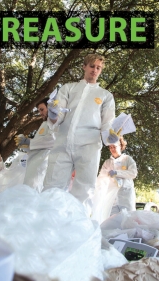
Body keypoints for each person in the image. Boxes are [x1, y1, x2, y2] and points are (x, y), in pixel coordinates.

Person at [42, 53, 119, 211]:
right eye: (92, 66)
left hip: (89, 145)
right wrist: (53, 113)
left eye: (98, 67)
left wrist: (111, 136)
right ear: (84, 66)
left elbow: (107, 122)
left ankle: (77, 226)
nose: (94, 70)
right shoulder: (68, 88)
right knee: (52, 185)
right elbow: (59, 116)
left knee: (84, 188)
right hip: (62, 143)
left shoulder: (105, 96)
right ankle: (46, 220)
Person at [92, 136, 137, 223]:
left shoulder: (128, 160)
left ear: (120, 145)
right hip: (112, 199)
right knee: (112, 221)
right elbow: (101, 178)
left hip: (126, 196)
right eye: (110, 147)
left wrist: (117, 173)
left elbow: (133, 173)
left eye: (114, 146)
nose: (112, 149)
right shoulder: (107, 162)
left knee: (128, 220)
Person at [15, 98, 55, 192]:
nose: (40, 113)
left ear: (49, 107)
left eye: (42, 109)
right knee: (28, 189)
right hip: (33, 163)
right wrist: (25, 145)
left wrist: (29, 142)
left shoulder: (54, 123)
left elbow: (52, 140)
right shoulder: (44, 124)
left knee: (34, 189)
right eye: (39, 111)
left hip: (43, 162)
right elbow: (38, 145)